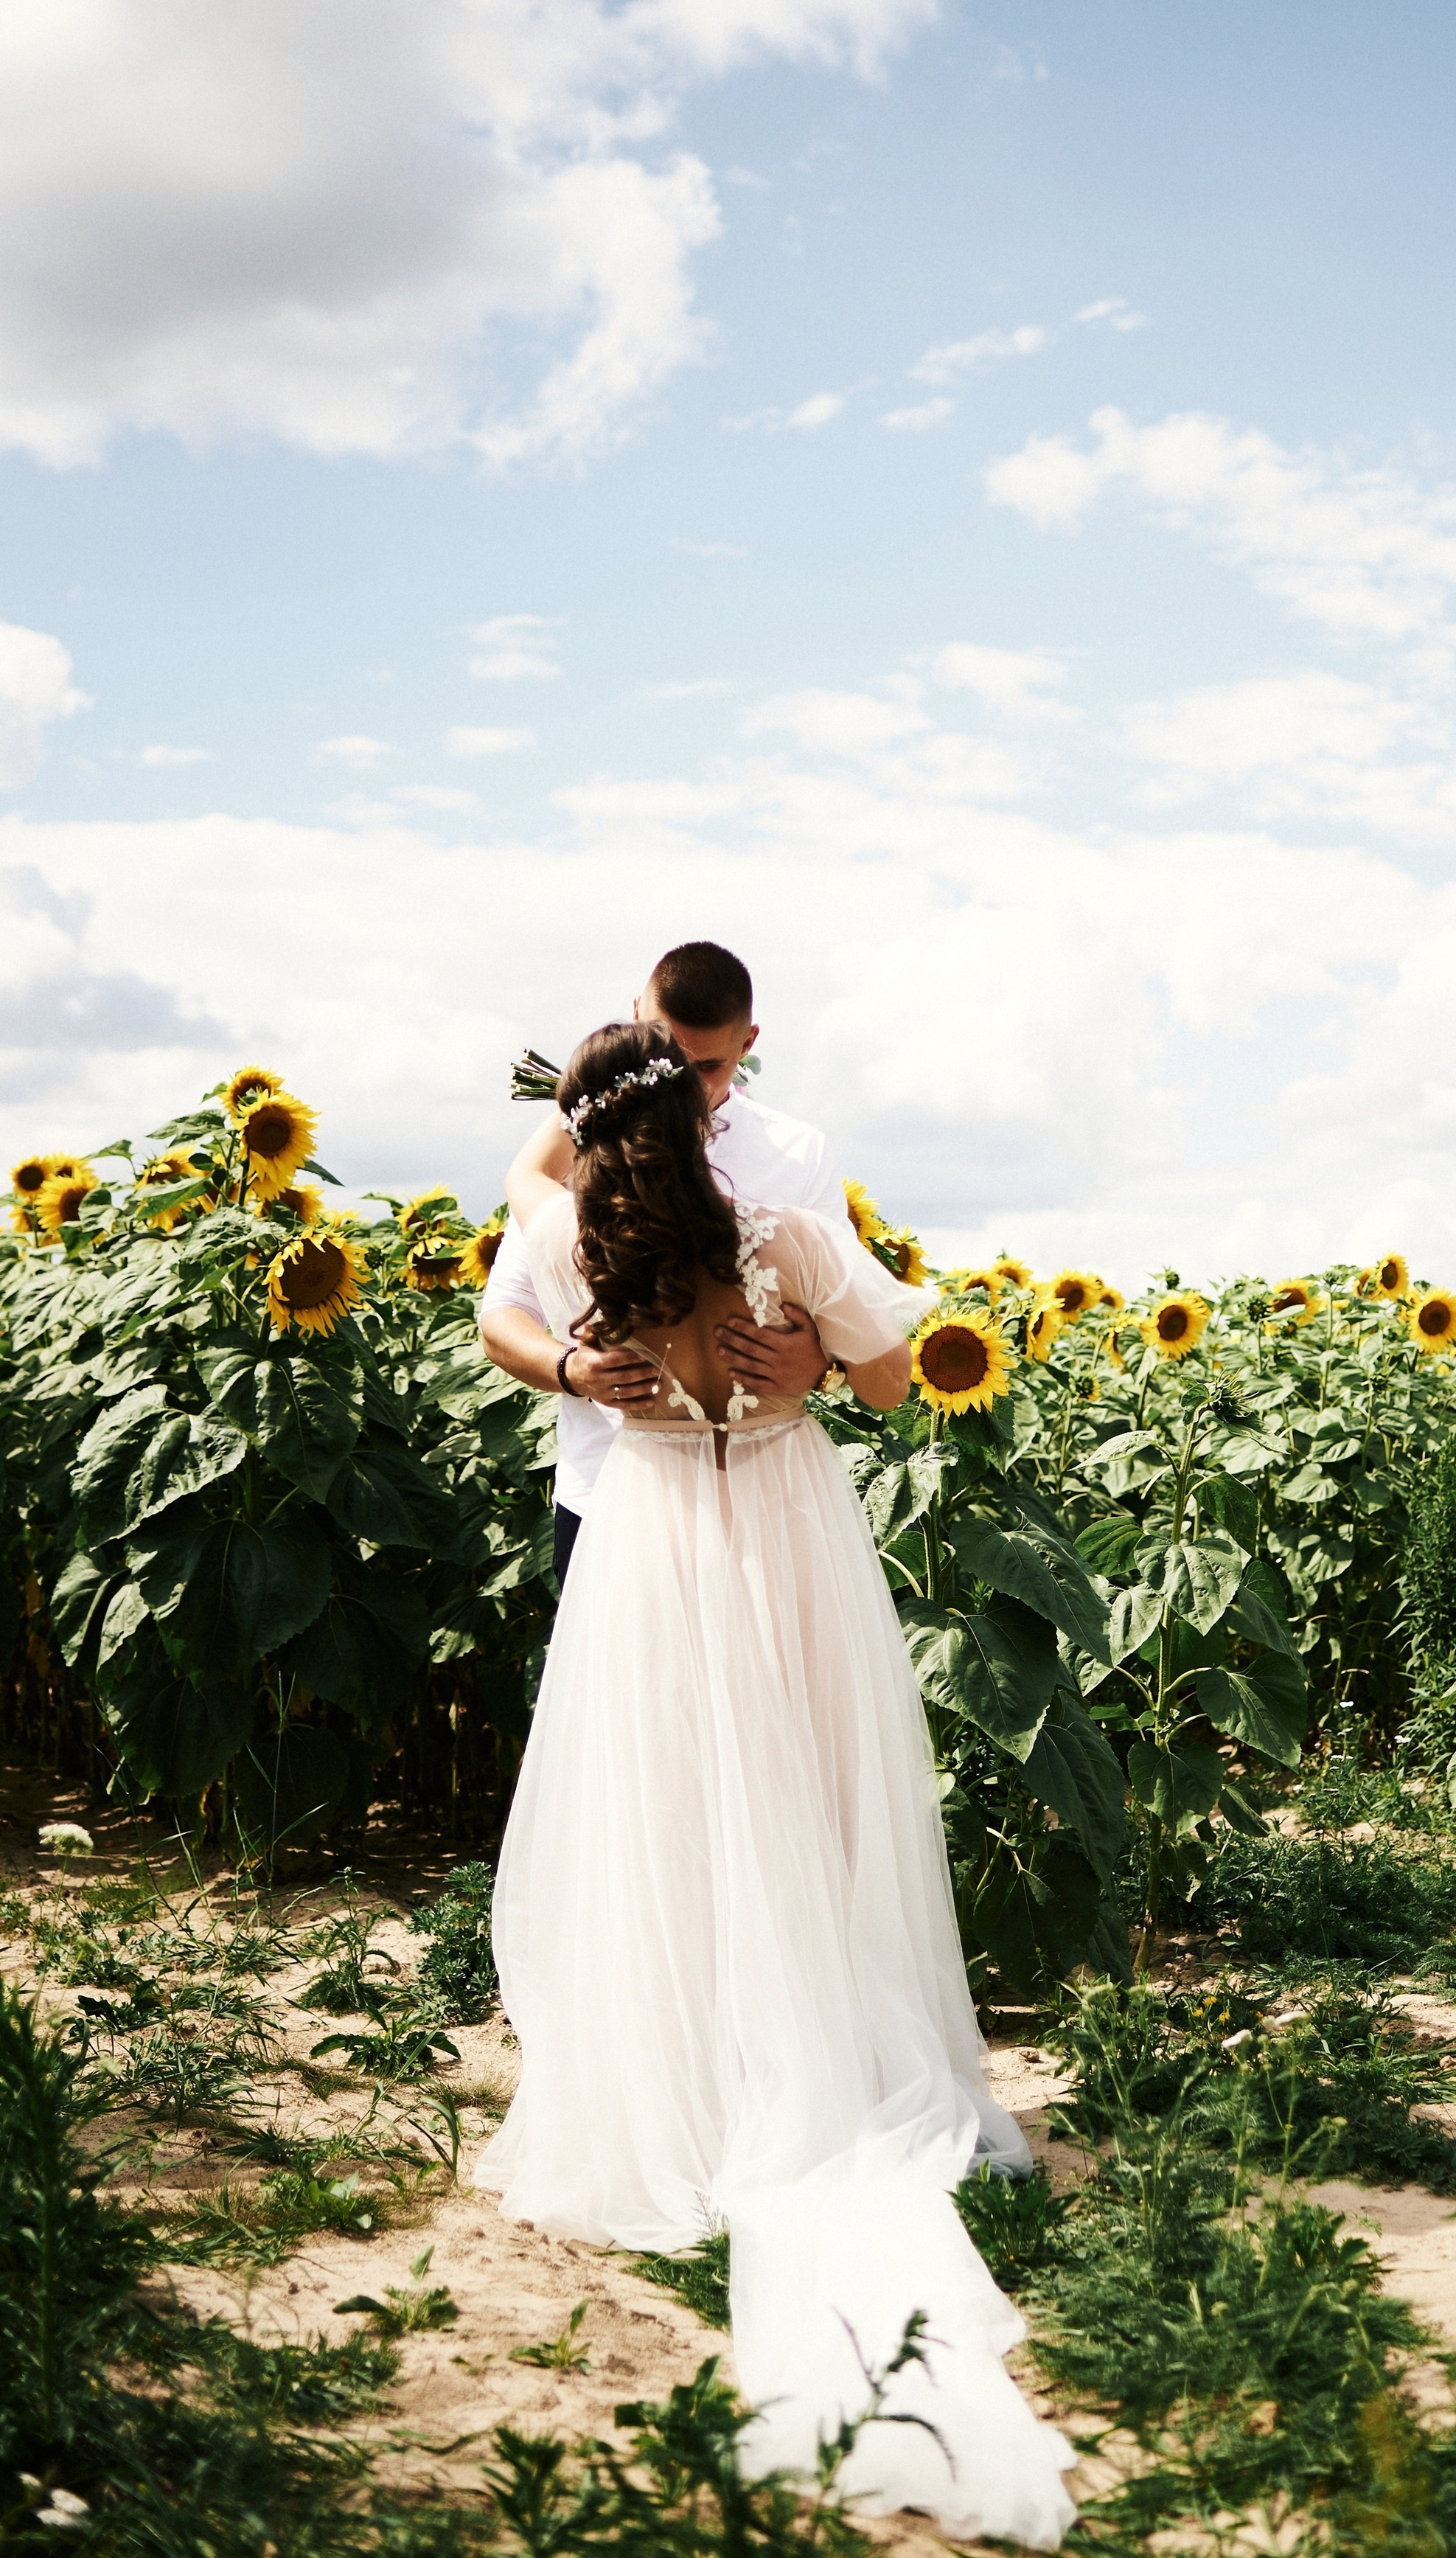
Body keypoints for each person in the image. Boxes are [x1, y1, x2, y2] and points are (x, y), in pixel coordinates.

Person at [472, 1016, 1076, 2548]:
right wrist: (812, 1355)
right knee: (806, 1794)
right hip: (785, 1540)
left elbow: (516, 1256)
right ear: (705, 1107)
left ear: (583, 1130)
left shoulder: (559, 1244)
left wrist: (594, 1358)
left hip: (649, 1555)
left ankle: (686, 2063)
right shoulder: (788, 1230)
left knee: (664, 1811)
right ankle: (821, 2046)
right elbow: (891, 1382)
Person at [479, 942, 845, 1588]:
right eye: (666, 1055)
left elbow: (844, 1322)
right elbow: (502, 1317)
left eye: (706, 1067)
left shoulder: (798, 1153)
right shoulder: (579, 1157)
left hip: (759, 1507)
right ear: (635, 1020)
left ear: (749, 1042)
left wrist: (820, 1362)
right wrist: (572, 1370)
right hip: (606, 1492)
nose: (684, 1085)